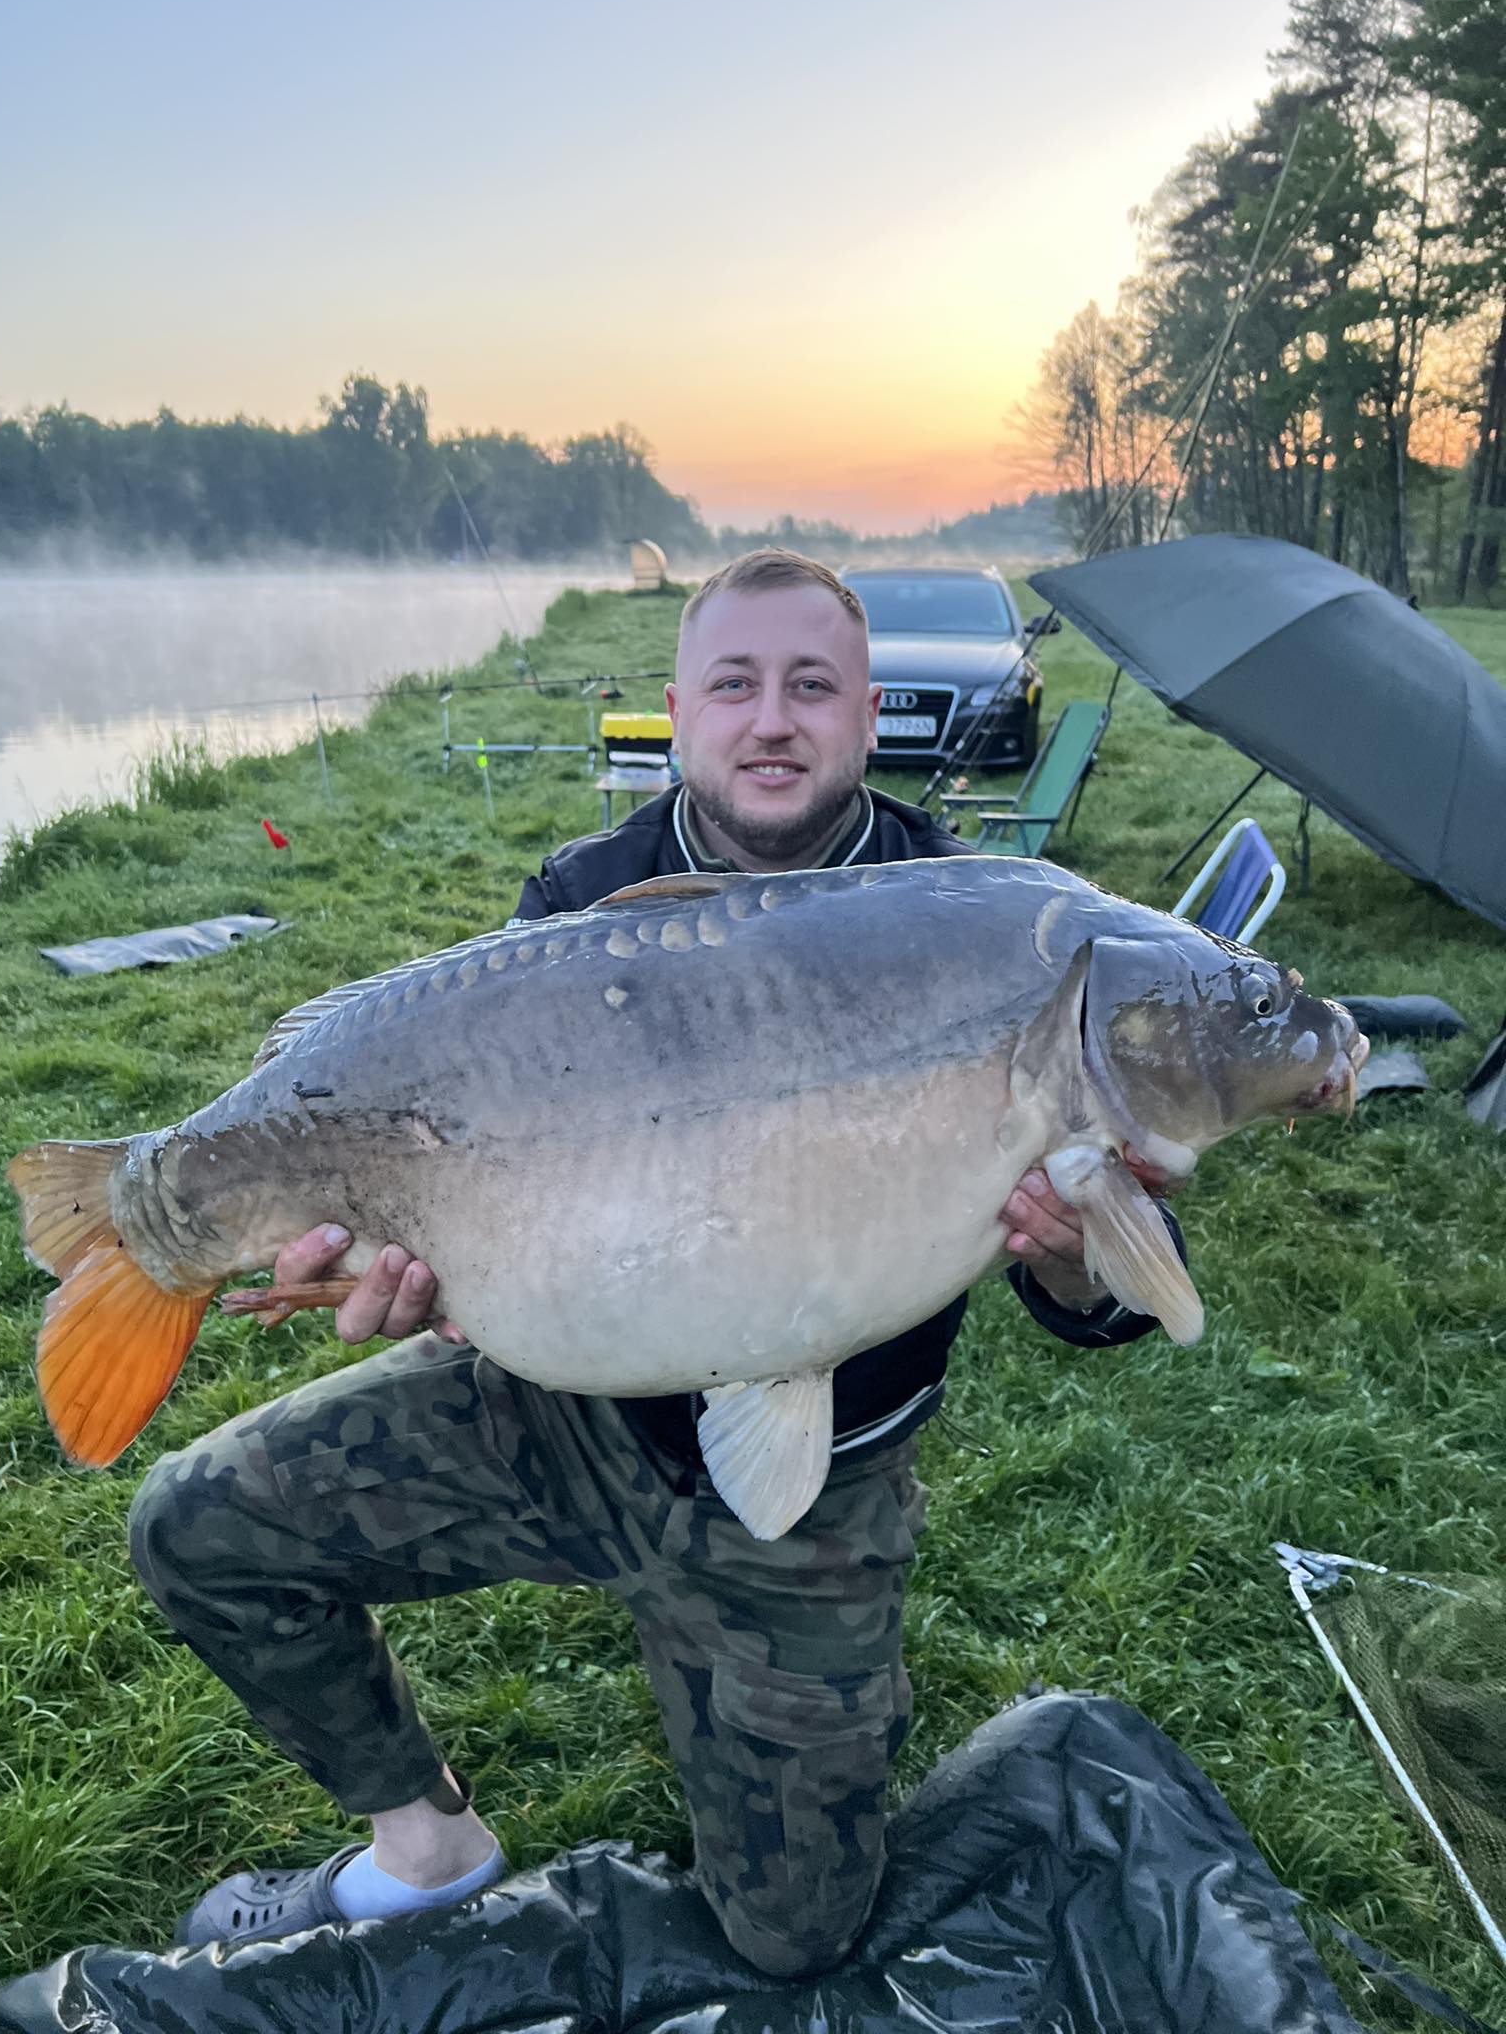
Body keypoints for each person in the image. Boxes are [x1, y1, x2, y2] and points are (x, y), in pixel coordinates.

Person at [130, 549, 1182, 1975]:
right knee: (196, 1526)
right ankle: (425, 1844)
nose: (773, 721)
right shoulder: (583, 897)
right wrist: (409, 1277)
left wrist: (1070, 1264)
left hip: (814, 1484)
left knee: (797, 1940)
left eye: (813, 687)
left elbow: (1120, 1288)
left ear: (869, 712)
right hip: (561, 1413)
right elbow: (453, 1179)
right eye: (735, 686)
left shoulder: (984, 915)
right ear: (679, 714)